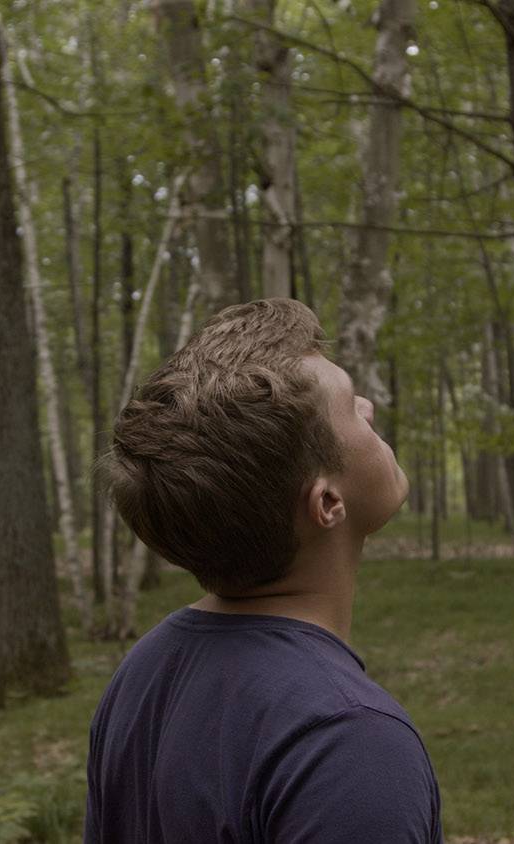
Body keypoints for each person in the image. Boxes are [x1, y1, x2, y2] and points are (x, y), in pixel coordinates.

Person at [85, 298, 441, 844]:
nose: (369, 407)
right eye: (349, 407)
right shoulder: (347, 743)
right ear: (327, 502)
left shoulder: (147, 668)